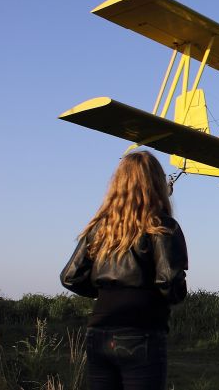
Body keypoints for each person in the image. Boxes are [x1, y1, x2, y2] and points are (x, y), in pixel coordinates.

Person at [60, 151, 188, 390]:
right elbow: (170, 282)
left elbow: (70, 277)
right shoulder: (163, 227)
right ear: (156, 184)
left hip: (99, 331)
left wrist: (107, 291)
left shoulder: (100, 228)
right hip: (142, 332)